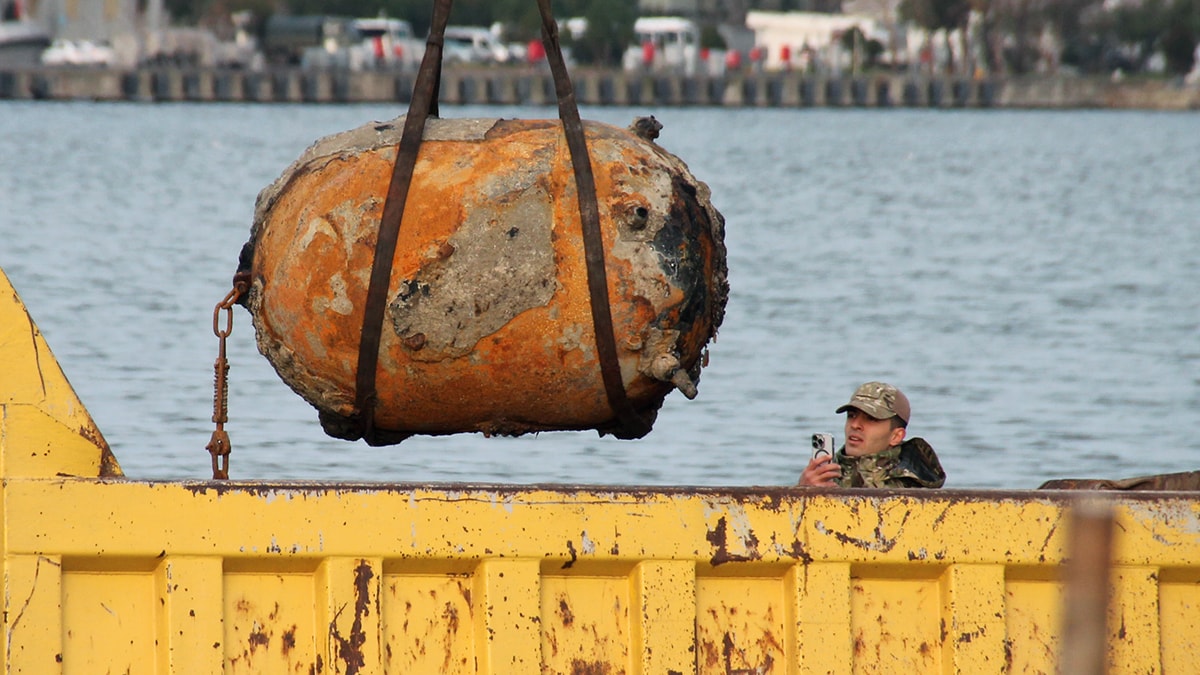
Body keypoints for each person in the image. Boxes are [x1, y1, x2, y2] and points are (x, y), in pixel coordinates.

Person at [798, 382, 945, 488]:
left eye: (871, 419)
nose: (855, 425)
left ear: (896, 436)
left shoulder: (912, 488)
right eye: (852, 415)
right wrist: (800, 495)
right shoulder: (825, 475)